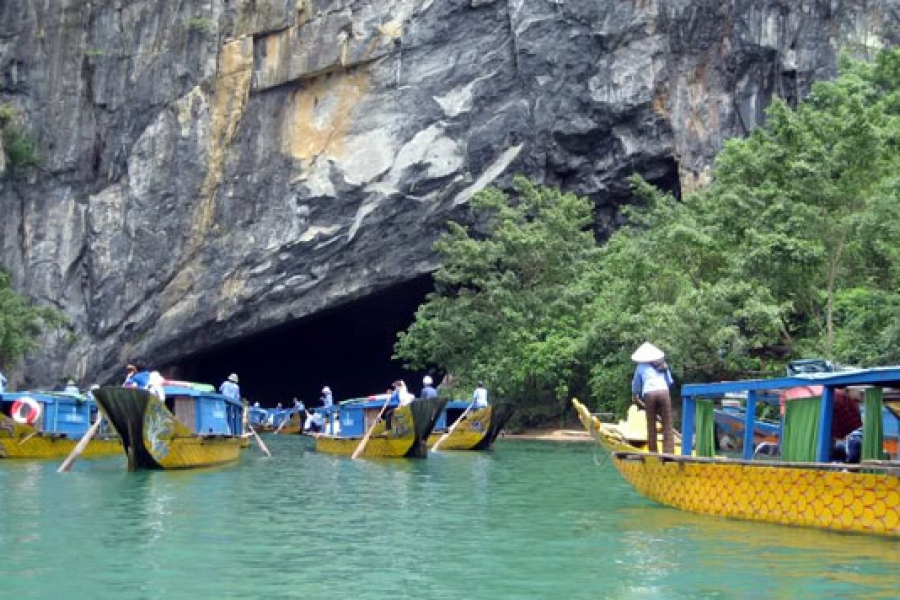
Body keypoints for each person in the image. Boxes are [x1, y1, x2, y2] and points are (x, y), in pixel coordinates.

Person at [630, 342, 675, 454]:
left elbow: (636, 385)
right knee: (667, 424)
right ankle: (668, 453)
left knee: (651, 424)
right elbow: (669, 382)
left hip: (649, 394)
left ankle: (653, 452)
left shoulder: (640, 367)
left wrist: (635, 395)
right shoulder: (663, 365)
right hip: (664, 392)